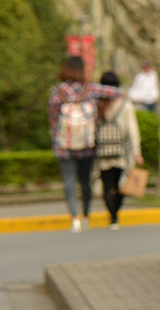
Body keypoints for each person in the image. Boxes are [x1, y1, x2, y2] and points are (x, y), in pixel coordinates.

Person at [48, 56, 122, 232]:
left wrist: (56, 137)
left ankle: (74, 218)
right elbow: (118, 93)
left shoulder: (56, 91)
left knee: (69, 182)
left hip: (64, 144)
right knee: (85, 181)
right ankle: (86, 215)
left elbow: (52, 120)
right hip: (87, 143)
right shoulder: (91, 89)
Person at [93, 71, 143, 230]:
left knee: (107, 185)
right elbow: (132, 130)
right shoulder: (124, 105)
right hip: (121, 151)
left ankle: (112, 217)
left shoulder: (97, 104)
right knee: (120, 184)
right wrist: (136, 151)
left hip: (103, 151)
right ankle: (116, 214)